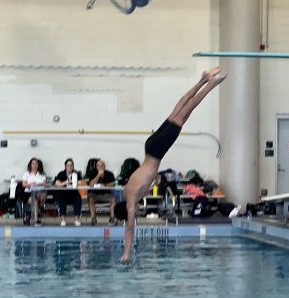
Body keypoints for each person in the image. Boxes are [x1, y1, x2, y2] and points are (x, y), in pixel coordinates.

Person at [114, 67, 227, 262]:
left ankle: (211, 84)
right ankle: (203, 79)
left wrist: (126, 253)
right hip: (150, 146)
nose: (135, 213)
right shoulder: (126, 192)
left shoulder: (131, 202)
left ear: (128, 211)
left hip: (157, 151)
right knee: (180, 108)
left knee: (186, 111)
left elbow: (129, 228)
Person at [54, 158, 83, 227]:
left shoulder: (76, 174)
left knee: (78, 199)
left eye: (71, 165)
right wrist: (66, 182)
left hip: (73, 193)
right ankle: (63, 220)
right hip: (63, 193)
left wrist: (76, 182)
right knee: (61, 200)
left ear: (73, 166)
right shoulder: (61, 174)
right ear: (65, 166)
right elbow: (57, 184)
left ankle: (76, 220)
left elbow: (82, 182)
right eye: (68, 165)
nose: (70, 167)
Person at [88, 159, 117, 226]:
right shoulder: (92, 173)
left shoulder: (109, 173)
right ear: (96, 167)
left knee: (113, 199)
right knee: (90, 199)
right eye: (98, 166)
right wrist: (98, 175)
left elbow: (114, 183)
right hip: (94, 193)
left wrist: (105, 185)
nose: (100, 167)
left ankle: (112, 218)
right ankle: (93, 218)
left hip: (106, 194)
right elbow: (91, 184)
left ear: (105, 166)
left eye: (102, 165)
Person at [22, 157, 47, 226]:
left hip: (38, 192)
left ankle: (30, 213)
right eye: (33, 163)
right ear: (30, 165)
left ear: (38, 165)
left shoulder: (42, 174)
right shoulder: (26, 173)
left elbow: (45, 184)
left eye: (36, 163)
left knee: (44, 193)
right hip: (28, 193)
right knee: (35, 201)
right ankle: (36, 220)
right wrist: (30, 184)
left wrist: (39, 184)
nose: (34, 165)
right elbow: (24, 185)